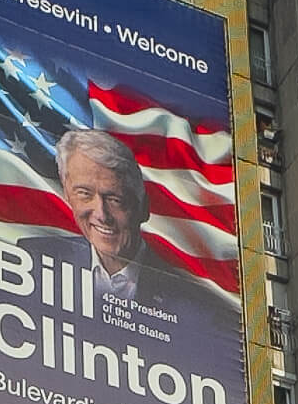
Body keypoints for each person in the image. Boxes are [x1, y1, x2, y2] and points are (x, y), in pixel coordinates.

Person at [49, 128, 234, 347]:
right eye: (84, 194)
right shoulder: (37, 261)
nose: (101, 214)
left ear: (143, 208)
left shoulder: (196, 309)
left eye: (115, 199)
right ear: (68, 197)